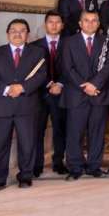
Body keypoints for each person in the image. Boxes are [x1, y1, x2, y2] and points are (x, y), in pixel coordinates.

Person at [0, 19, 47, 192]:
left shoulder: (37, 53)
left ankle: (25, 176)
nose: (17, 34)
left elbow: (41, 76)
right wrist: (5, 89)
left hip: (27, 106)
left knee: (27, 143)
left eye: (22, 30)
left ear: (27, 34)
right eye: (13, 30)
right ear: (7, 33)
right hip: (1, 106)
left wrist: (22, 87)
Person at [61, 10, 109, 180]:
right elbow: (67, 68)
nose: (90, 23)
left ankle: (94, 166)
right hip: (77, 94)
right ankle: (75, 167)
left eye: (94, 20)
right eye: (86, 20)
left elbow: (108, 65)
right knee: (75, 133)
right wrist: (85, 86)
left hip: (99, 93)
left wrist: (94, 84)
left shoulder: (106, 41)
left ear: (99, 24)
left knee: (97, 132)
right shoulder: (69, 42)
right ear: (80, 23)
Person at [32, 11, 68, 177]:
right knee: (37, 129)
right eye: (50, 22)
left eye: (57, 22)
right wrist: (48, 84)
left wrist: (59, 84)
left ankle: (58, 162)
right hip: (40, 93)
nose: (54, 25)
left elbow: (71, 68)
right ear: (45, 25)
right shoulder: (34, 46)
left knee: (60, 129)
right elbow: (33, 70)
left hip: (61, 92)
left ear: (62, 25)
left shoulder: (69, 44)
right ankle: (37, 164)